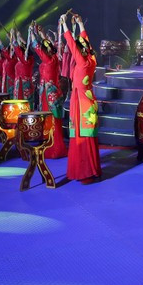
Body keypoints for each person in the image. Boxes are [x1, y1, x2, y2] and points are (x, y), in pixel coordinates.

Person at [60, 12, 101, 183]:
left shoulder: (82, 62)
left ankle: (85, 170)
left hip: (81, 102)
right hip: (88, 99)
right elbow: (86, 43)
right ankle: (91, 168)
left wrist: (64, 25)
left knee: (81, 137)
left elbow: (71, 43)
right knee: (88, 136)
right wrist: (81, 24)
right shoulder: (91, 59)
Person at [30, 23, 67, 159]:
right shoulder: (53, 59)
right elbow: (43, 46)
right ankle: (52, 146)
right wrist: (42, 33)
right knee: (51, 121)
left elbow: (37, 47)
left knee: (52, 121)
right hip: (48, 93)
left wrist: (35, 34)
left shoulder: (50, 60)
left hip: (50, 94)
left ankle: (55, 148)